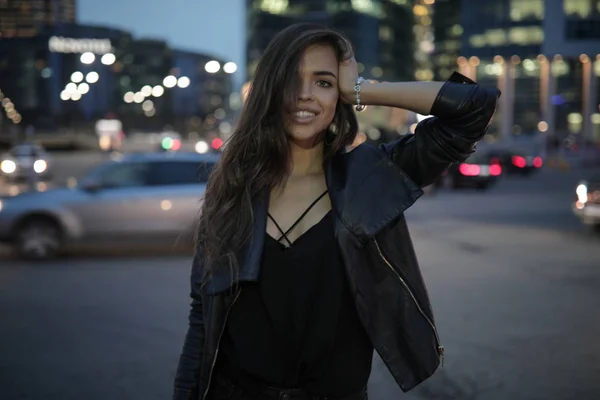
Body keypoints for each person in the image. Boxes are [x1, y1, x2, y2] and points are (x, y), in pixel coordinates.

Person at [173, 23, 499, 400]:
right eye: (292, 80)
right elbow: (202, 318)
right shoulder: (231, 189)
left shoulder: (373, 178)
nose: (305, 96)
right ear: (270, 89)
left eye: (324, 83)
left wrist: (359, 88)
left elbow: (475, 107)